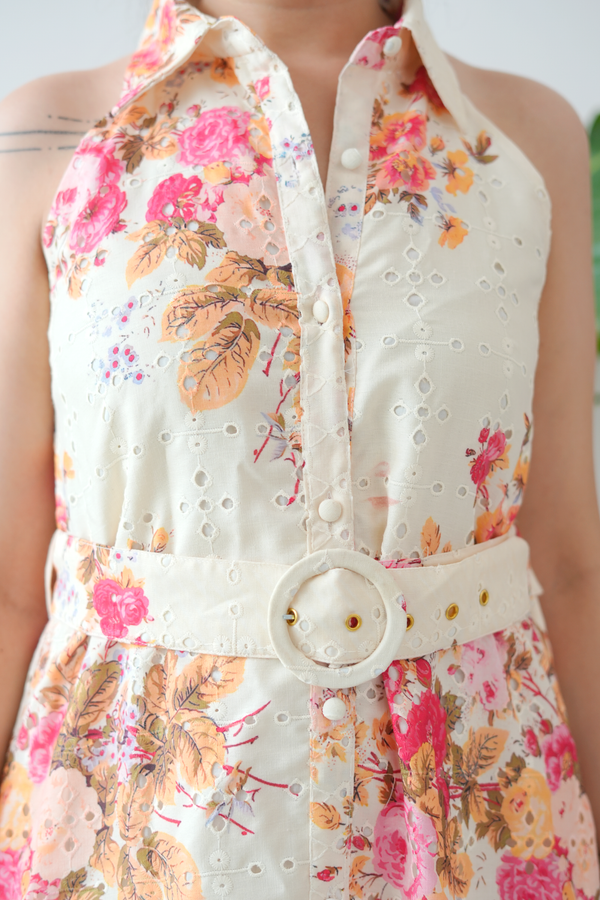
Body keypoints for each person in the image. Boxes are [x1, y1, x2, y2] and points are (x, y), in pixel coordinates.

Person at [0, 0, 599, 896]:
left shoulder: (519, 139)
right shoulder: (51, 135)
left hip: (480, 821)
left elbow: (567, 560)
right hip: (129, 833)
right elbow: (11, 583)